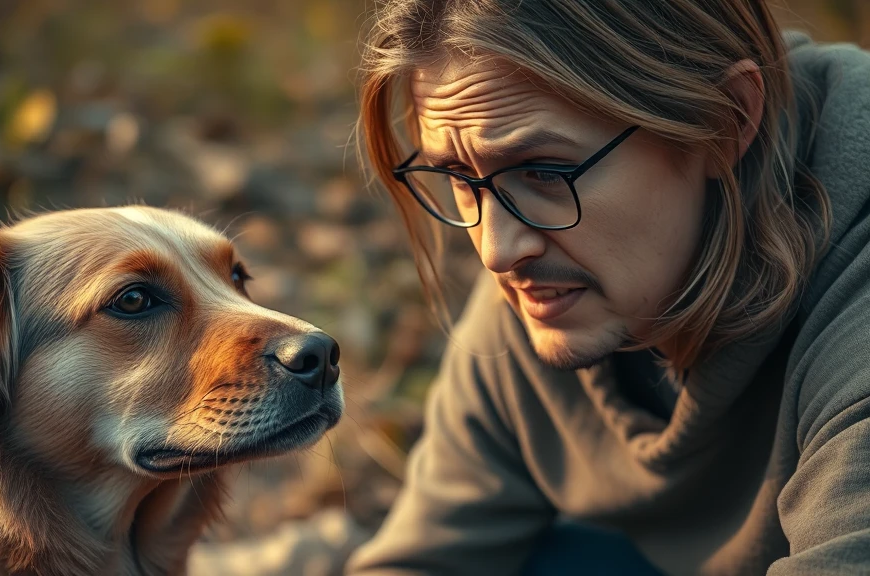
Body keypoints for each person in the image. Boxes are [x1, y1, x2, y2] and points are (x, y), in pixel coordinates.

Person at [342, 1, 870, 575]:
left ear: (726, 122)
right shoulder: (554, 284)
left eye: (545, 172)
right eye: (458, 180)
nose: (496, 252)